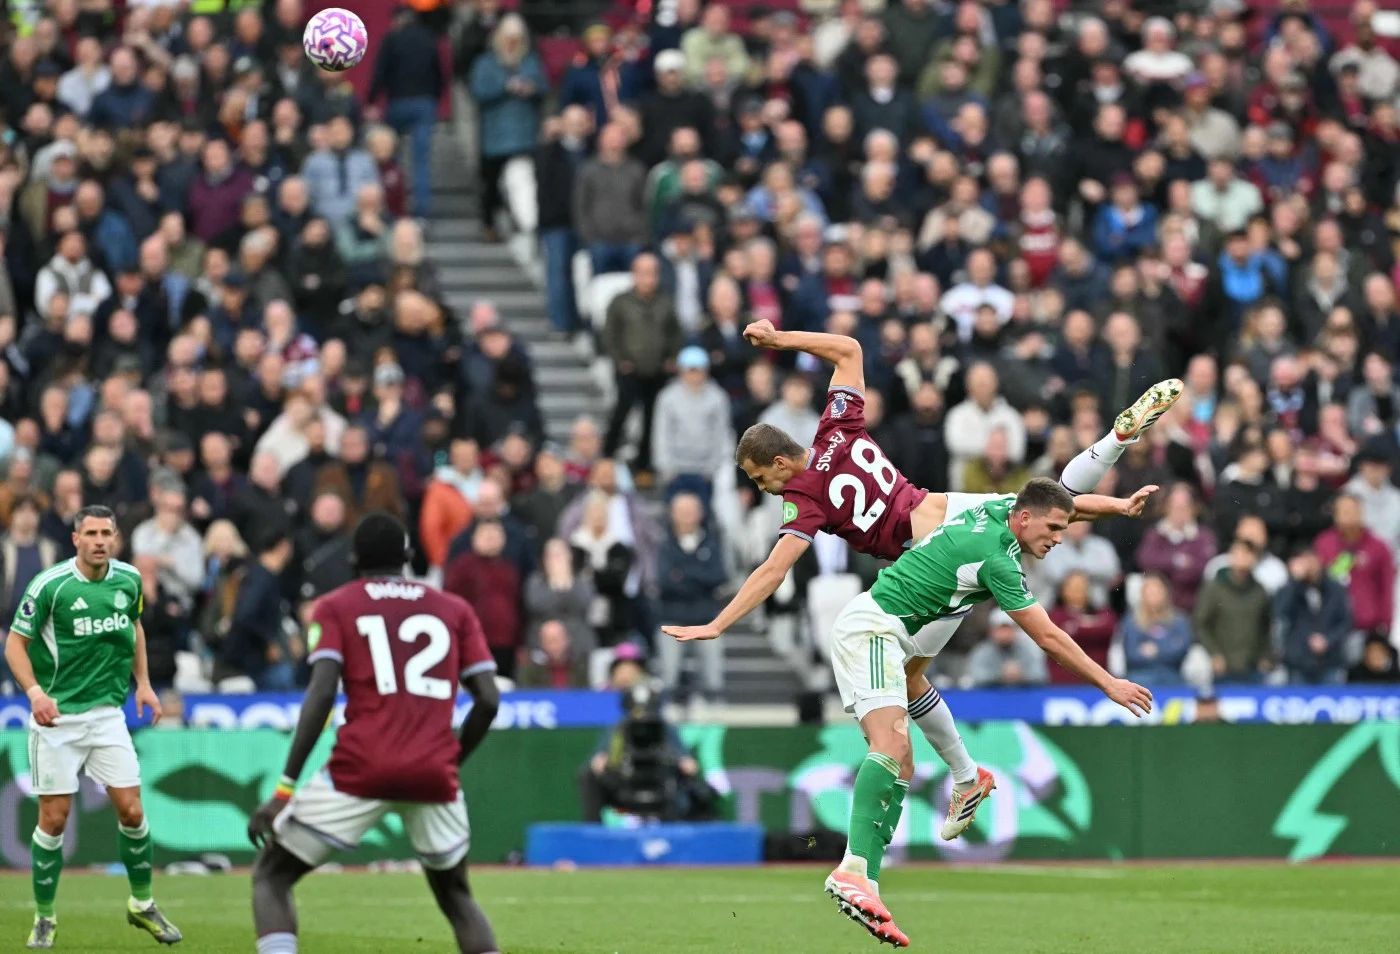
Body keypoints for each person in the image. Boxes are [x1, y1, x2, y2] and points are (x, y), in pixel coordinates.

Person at [664, 322, 1165, 804]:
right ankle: (1113, 443)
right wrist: (778, 339)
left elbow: (773, 571)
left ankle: (966, 778)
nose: (761, 489)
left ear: (778, 463)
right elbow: (849, 349)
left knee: (913, 675)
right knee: (1034, 505)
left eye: (758, 479)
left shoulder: (804, 498)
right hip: (946, 506)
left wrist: (718, 623)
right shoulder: (836, 427)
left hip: (934, 558)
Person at [817, 479, 1153, 945]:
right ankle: (854, 868)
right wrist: (1108, 682)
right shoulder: (998, 558)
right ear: (1025, 519)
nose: (1059, 538)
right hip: (872, 631)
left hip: (906, 632)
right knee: (891, 747)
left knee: (907, 744)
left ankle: (872, 876)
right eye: (1053, 529)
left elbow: (1071, 507)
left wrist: (1117, 504)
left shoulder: (1003, 507)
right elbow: (1049, 638)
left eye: (1063, 528)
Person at [246, 512, 501, 954]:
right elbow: (490, 700)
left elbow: (322, 693)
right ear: (406, 556)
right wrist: (452, 760)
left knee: (271, 876)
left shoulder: (335, 606)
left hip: (360, 768)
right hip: (433, 774)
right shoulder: (454, 608)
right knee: (457, 897)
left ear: (353, 559)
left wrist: (285, 789)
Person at [6, 505, 180, 948]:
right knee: (54, 820)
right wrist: (35, 695)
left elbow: (134, 626)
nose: (100, 540)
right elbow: (15, 645)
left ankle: (142, 905)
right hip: (58, 718)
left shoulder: (128, 579)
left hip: (106, 715)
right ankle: (45, 917)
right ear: (75, 539)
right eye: (92, 533)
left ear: (115, 538)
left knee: (134, 812)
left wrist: (143, 684)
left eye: (107, 533)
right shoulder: (51, 586)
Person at [1194, 540, 1274, 682]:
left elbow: (1266, 627)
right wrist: (1214, 653)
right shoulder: (1215, 588)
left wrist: (1265, 656)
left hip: (1253, 666)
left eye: (1248, 554)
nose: (1243, 558)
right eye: (1239, 553)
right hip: (1222, 666)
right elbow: (1201, 624)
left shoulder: (1259, 591)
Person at [1276, 549, 1352, 684]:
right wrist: (1294, 581)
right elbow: (1279, 612)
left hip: (1330, 662)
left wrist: (1328, 640)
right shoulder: (1291, 589)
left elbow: (1346, 622)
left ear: (1319, 561)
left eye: (1311, 560)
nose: (1309, 566)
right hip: (1299, 664)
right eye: (1304, 562)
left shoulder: (1335, 589)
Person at [1120, 573, 1195, 685]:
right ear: (1142, 594)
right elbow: (1132, 655)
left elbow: (1182, 650)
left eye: (1157, 591)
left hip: (1172, 675)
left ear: (1165, 593)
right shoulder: (1131, 621)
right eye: (1149, 591)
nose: (1153, 595)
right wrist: (1168, 646)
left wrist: (1156, 649)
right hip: (1139, 677)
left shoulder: (1179, 620)